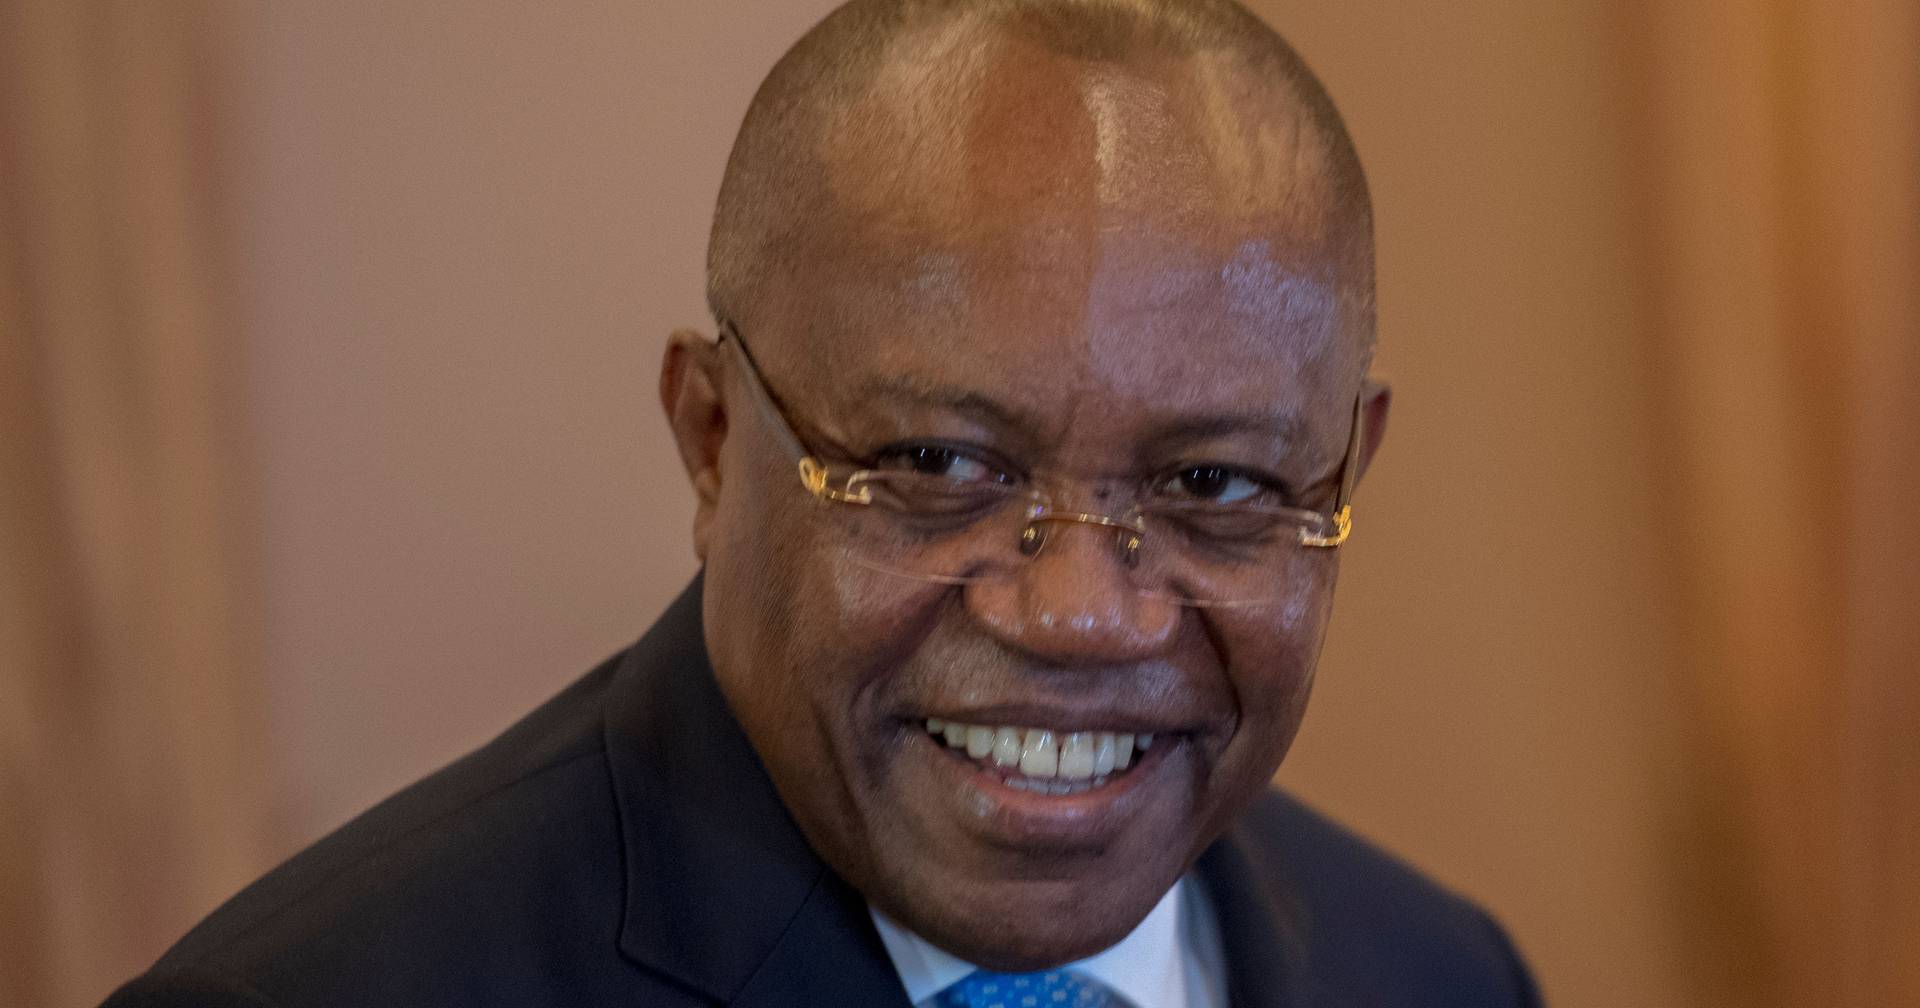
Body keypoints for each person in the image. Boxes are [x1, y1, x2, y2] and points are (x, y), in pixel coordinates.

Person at [105, 1, 1540, 1005]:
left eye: (1213, 484)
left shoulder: (1440, 976)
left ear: (1344, 472)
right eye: (940, 465)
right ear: (712, 438)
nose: (1080, 614)